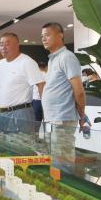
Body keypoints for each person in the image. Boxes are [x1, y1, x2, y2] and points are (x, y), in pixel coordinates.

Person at [40, 22, 86, 171]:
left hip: (62, 118)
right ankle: (57, 184)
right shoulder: (52, 58)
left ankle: (65, 184)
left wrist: (82, 114)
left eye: (47, 35)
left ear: (60, 35)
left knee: (63, 162)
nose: (44, 39)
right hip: (53, 118)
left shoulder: (67, 57)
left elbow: (79, 91)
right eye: (42, 36)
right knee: (56, 160)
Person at [0, 33, 45, 133]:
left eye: (7, 44)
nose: (3, 47)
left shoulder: (27, 62)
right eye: (1, 44)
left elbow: (41, 85)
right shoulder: (0, 64)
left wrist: (46, 111)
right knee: (0, 142)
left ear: (17, 45)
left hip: (20, 113)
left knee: (22, 142)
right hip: (1, 113)